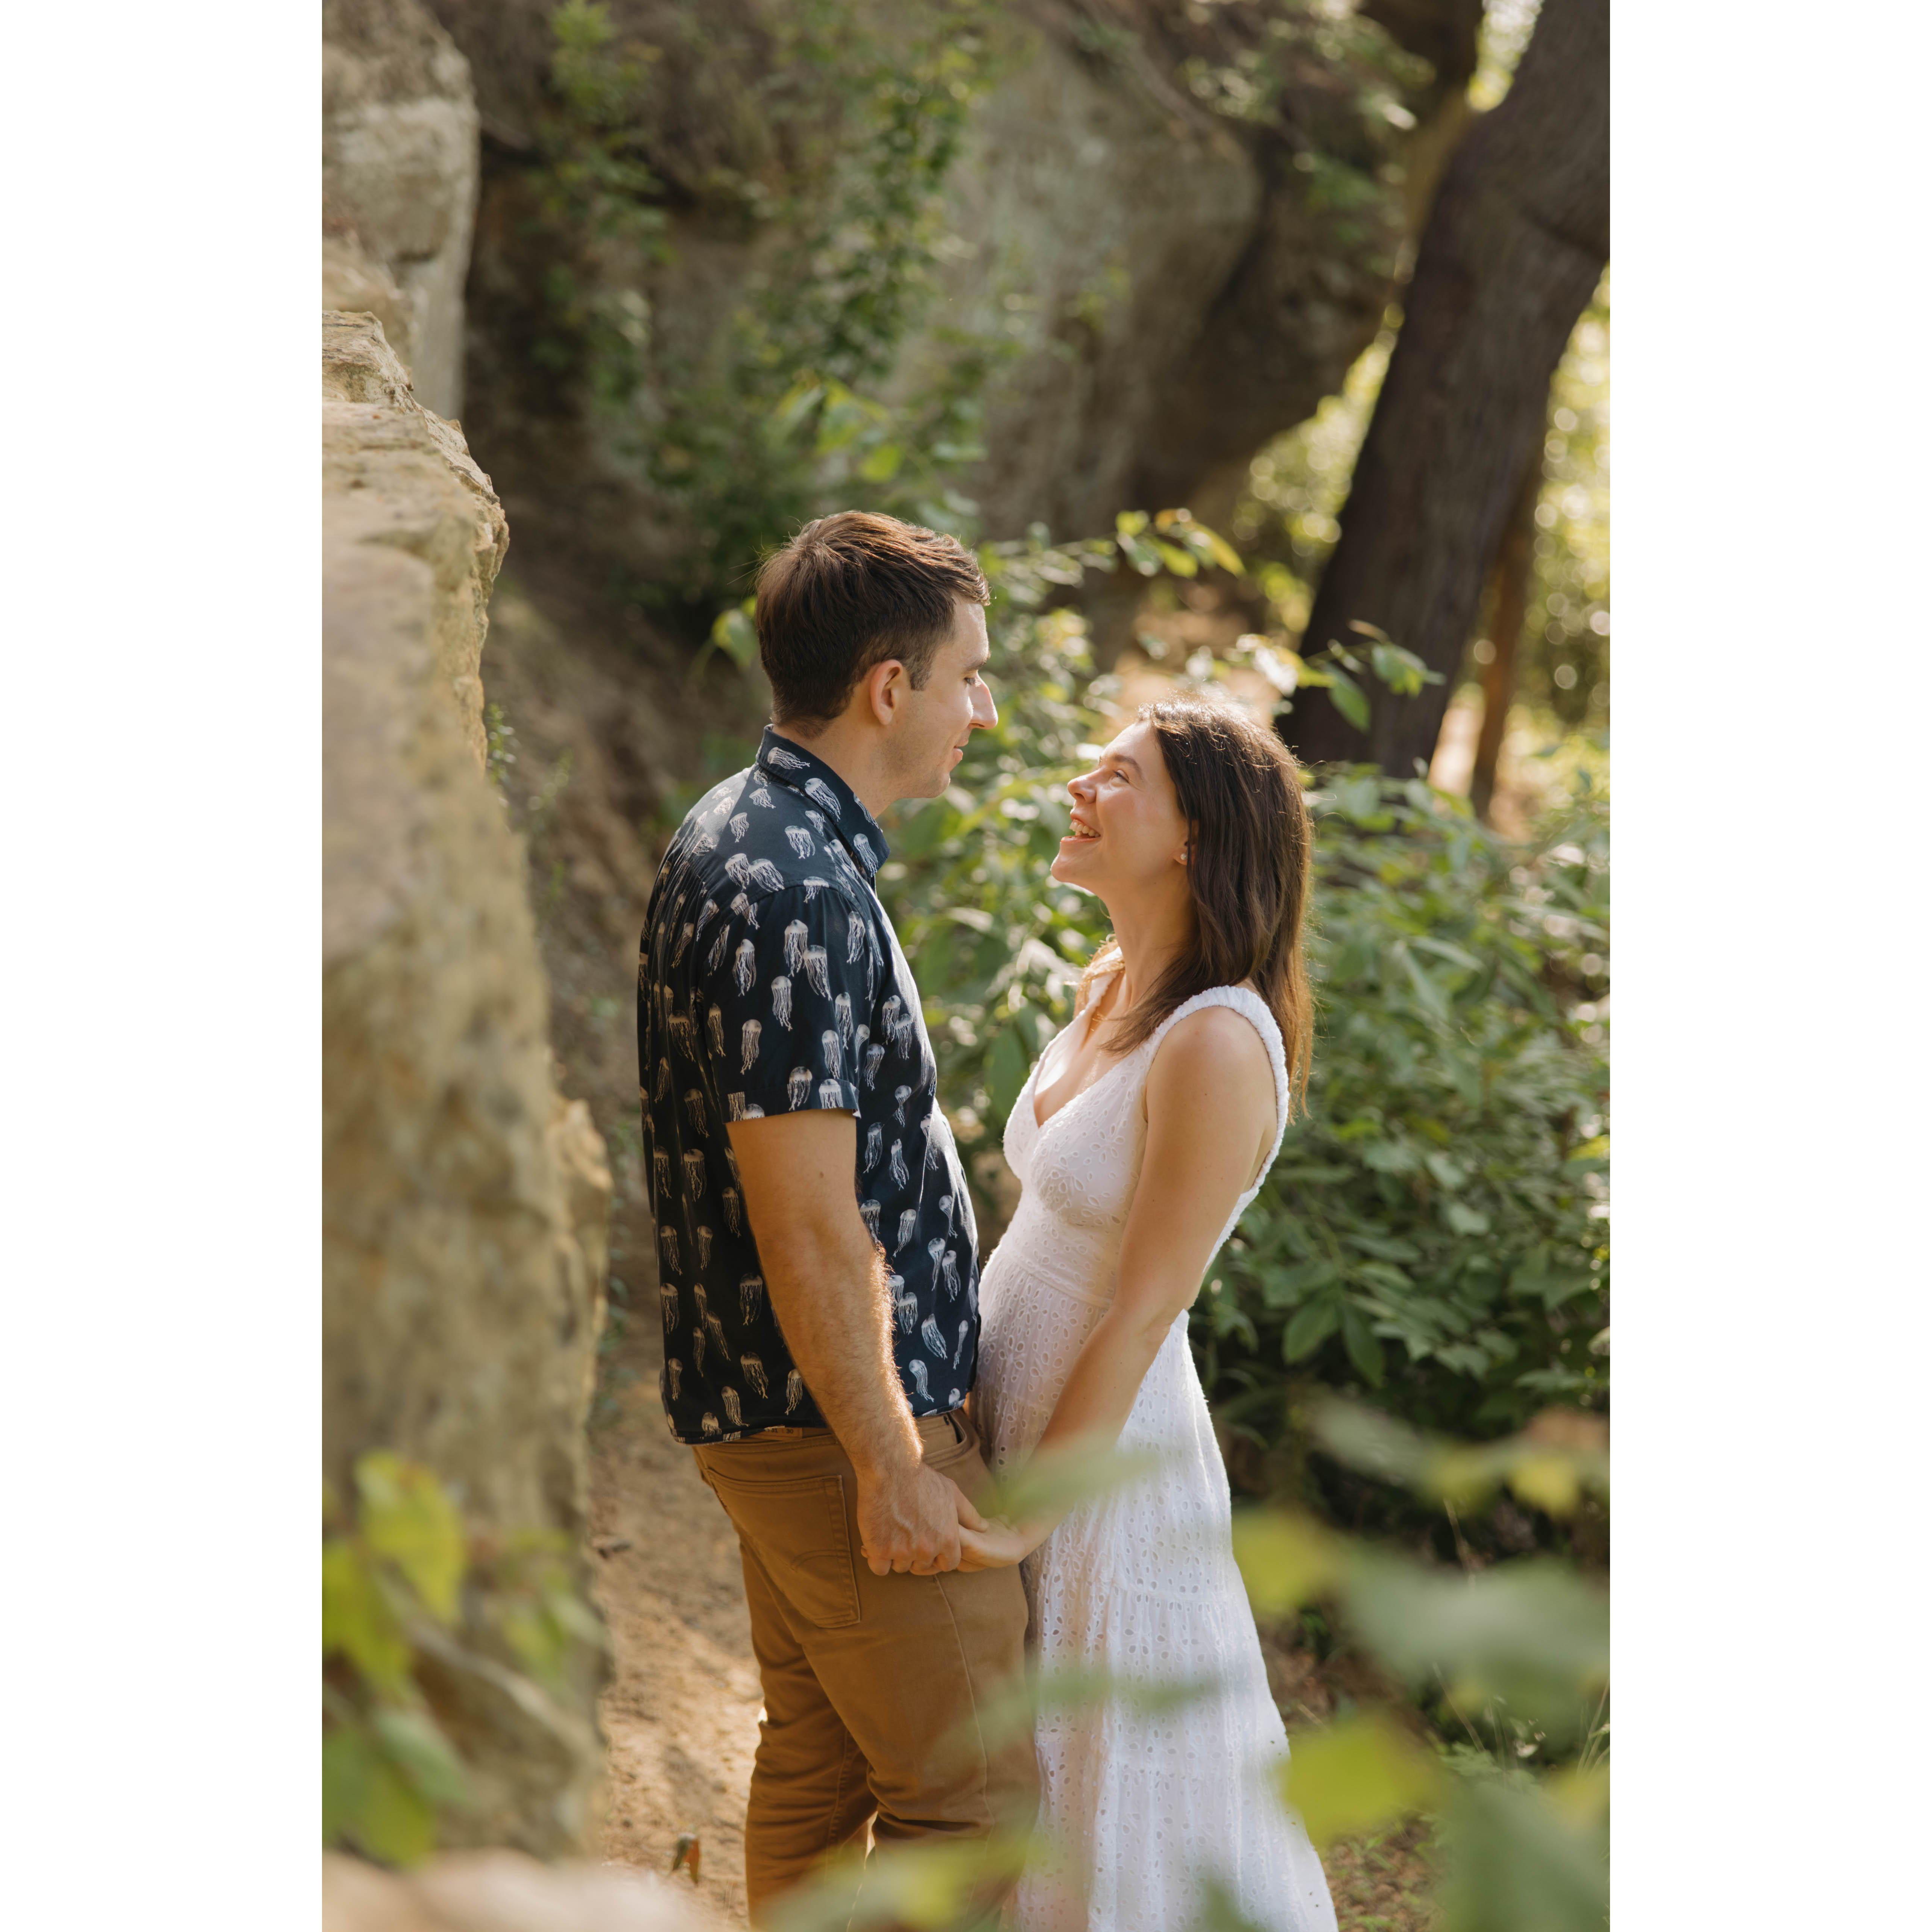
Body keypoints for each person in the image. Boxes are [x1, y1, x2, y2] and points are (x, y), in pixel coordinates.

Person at [636, 511, 1036, 1924]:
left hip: (790, 1419)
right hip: (834, 1433)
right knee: (976, 1803)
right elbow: (808, 1223)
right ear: (890, 687)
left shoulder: (760, 837)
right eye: (970, 676)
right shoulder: (789, 886)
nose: (981, 709)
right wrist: (893, 1463)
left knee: (823, 1768)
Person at [960, 698, 1340, 1932]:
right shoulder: (1110, 984)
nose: (1081, 784)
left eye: (1118, 776)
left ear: (1193, 835)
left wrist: (1030, 1524)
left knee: (1104, 1796)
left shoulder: (1217, 1042)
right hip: (1017, 1422)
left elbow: (1139, 1313)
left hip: (1104, 1478)